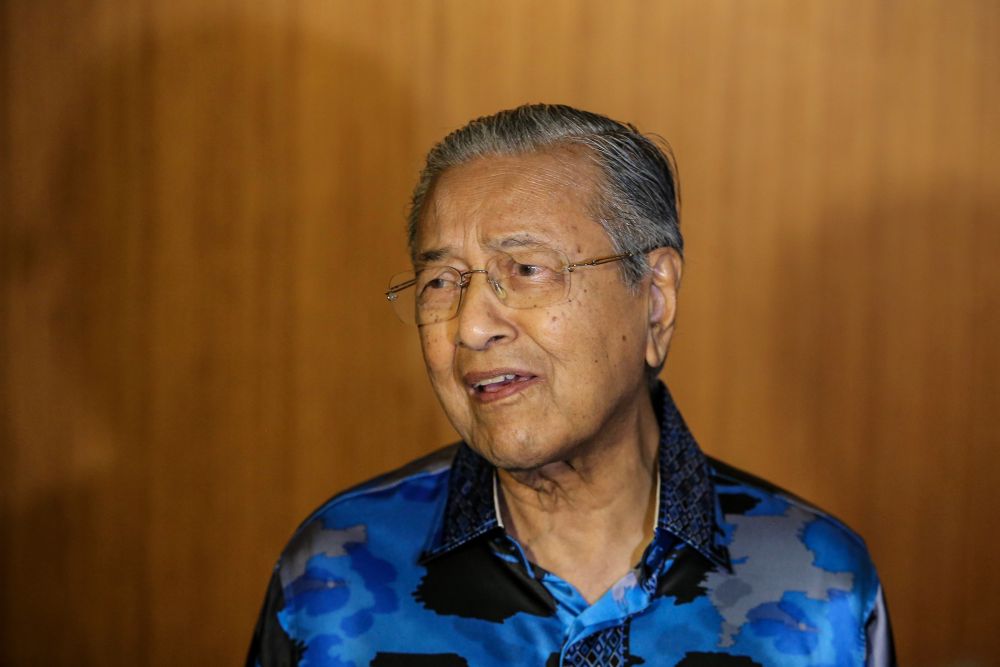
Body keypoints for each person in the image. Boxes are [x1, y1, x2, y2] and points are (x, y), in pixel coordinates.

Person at [247, 104, 895, 666]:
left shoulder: (817, 578)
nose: (470, 326)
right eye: (442, 281)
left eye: (526, 269)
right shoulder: (334, 568)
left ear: (656, 298)